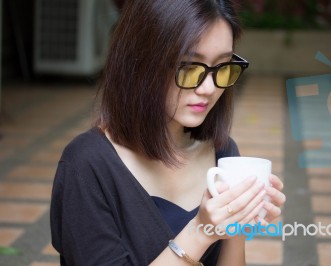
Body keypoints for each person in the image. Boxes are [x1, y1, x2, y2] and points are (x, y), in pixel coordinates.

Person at [50, 0, 286, 265]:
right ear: (140, 63)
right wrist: (200, 231)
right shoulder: (86, 165)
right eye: (188, 67)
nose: (208, 88)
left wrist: (239, 221)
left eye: (222, 66)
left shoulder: (222, 152)